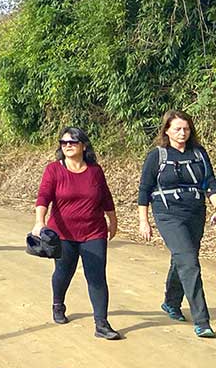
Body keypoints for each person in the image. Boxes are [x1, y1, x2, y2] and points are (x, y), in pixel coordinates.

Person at [33, 127, 121, 340]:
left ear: (83, 145)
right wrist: (39, 222)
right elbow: (44, 196)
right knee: (64, 272)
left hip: (94, 231)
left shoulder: (95, 171)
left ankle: (101, 324)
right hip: (63, 234)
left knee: (97, 277)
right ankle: (58, 303)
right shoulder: (54, 169)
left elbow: (105, 197)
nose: (68, 146)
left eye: (72, 142)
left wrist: (113, 220)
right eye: (64, 143)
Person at [138, 110, 216, 338]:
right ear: (167, 131)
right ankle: (202, 320)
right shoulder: (158, 156)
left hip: (195, 212)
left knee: (184, 257)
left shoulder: (199, 153)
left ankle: (171, 303)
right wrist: (144, 221)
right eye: (177, 129)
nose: (182, 133)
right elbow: (144, 189)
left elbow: (210, 182)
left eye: (186, 129)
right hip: (168, 214)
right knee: (189, 262)